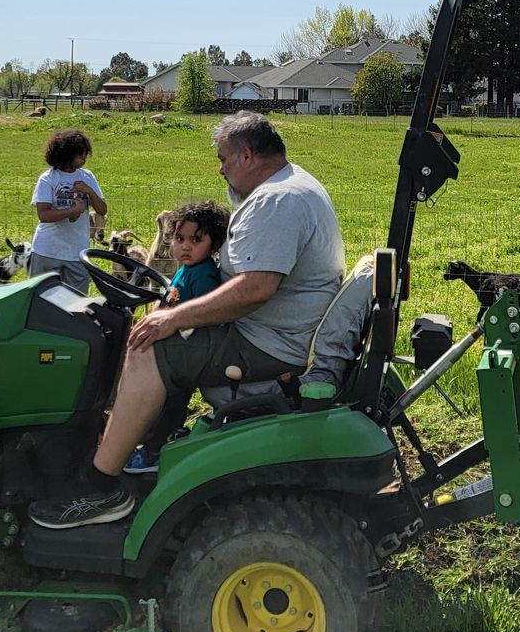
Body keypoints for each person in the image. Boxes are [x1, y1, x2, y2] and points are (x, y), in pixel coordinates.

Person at [29, 112, 344, 528]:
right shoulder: (293, 184)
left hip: (270, 344)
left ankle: (99, 486)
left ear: (246, 155)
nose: (221, 169)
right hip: (277, 332)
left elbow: (256, 288)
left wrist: (173, 319)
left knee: (149, 346)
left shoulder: (276, 201)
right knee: (156, 336)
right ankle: (140, 443)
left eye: (224, 159)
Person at [123, 198, 229, 475]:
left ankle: (155, 450)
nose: (185, 246)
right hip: (170, 341)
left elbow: (203, 313)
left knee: (169, 401)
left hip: (186, 349)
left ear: (213, 244)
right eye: (179, 238)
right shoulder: (186, 268)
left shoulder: (204, 275)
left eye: (196, 240)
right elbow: (168, 300)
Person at [27, 128, 107, 292]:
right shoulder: (48, 179)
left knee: (76, 302)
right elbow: (44, 215)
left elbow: (102, 209)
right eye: (81, 155)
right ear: (66, 155)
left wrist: (89, 191)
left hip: (77, 252)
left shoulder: (87, 177)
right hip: (47, 251)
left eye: (86, 154)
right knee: (41, 299)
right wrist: (72, 211)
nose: (85, 158)